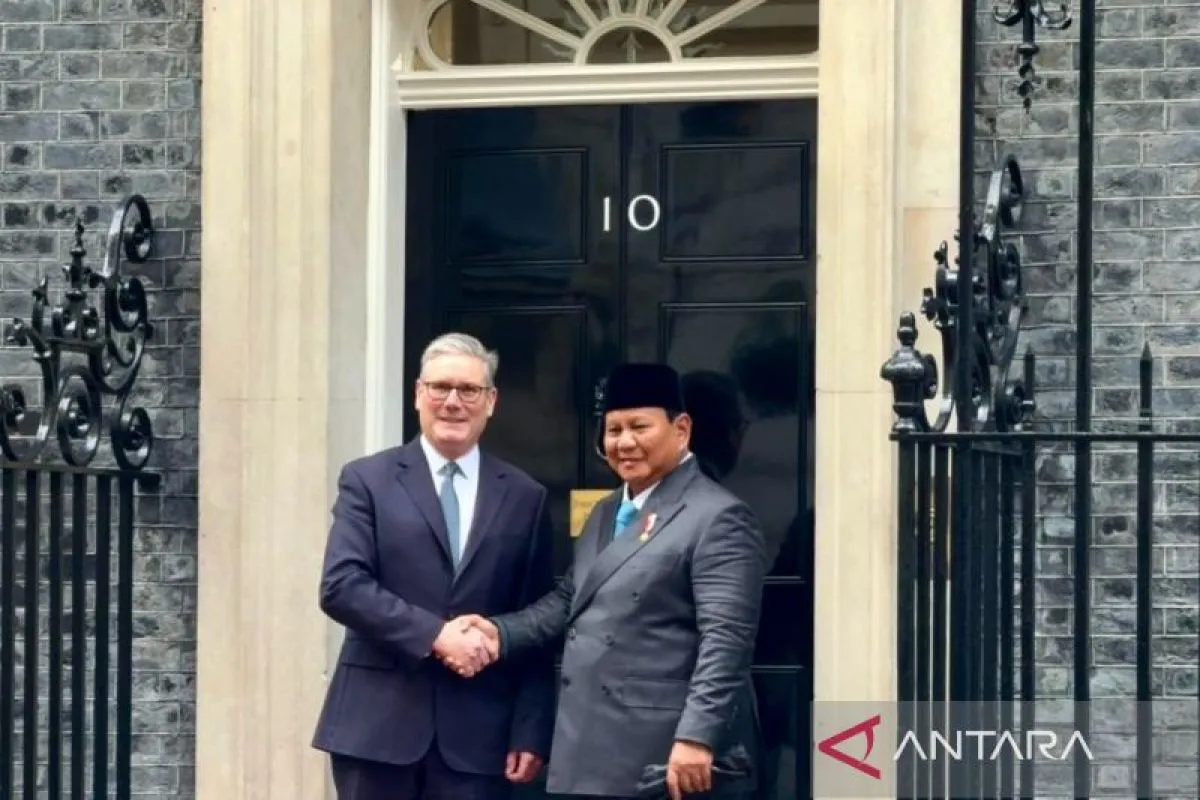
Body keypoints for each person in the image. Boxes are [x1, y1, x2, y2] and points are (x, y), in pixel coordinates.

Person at [456, 362, 770, 800]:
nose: (624, 442)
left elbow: (726, 639)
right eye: (613, 430)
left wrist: (697, 736)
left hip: (664, 754)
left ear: (681, 429)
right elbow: (570, 599)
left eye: (639, 427)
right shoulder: (605, 512)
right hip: (591, 742)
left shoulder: (718, 516)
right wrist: (497, 633)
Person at [311, 332, 556, 800]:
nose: (453, 402)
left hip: (479, 737)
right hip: (376, 729)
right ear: (418, 394)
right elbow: (342, 585)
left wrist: (531, 726)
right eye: (440, 387)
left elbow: (536, 617)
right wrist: (436, 635)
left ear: (491, 401)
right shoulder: (368, 479)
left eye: (469, 390)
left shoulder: (526, 496)